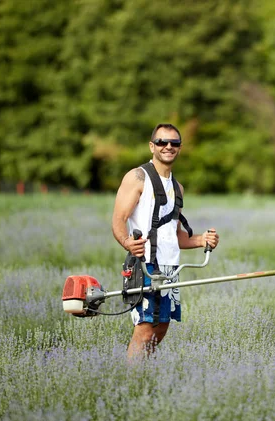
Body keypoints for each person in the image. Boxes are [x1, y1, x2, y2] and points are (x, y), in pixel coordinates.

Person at [111, 123, 219, 359]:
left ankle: (143, 377)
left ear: (179, 148)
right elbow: (118, 220)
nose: (168, 147)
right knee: (145, 329)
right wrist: (128, 243)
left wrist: (202, 240)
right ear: (152, 146)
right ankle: (131, 384)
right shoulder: (137, 177)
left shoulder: (177, 187)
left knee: (161, 328)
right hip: (146, 264)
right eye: (162, 142)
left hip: (171, 267)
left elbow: (174, 234)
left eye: (174, 143)